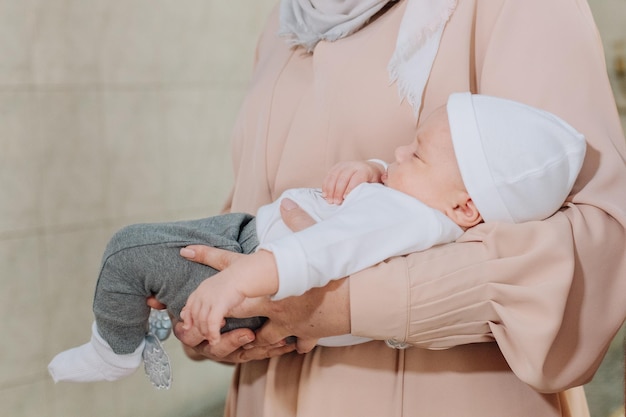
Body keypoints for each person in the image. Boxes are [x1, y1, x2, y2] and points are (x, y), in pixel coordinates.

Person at [162, 0, 626, 416]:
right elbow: (252, 203)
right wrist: (214, 317)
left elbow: (599, 244)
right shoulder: (287, 19)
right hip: (268, 394)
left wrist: (342, 303)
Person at [47, 91, 586, 387]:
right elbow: (396, 197)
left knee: (128, 252)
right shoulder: (426, 208)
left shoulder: (405, 217)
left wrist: (233, 286)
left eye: (413, 153)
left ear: (466, 206)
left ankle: (113, 350)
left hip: (256, 266)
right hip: (251, 249)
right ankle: (147, 328)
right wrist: (368, 170)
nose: (396, 154)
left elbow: (319, 251)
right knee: (150, 267)